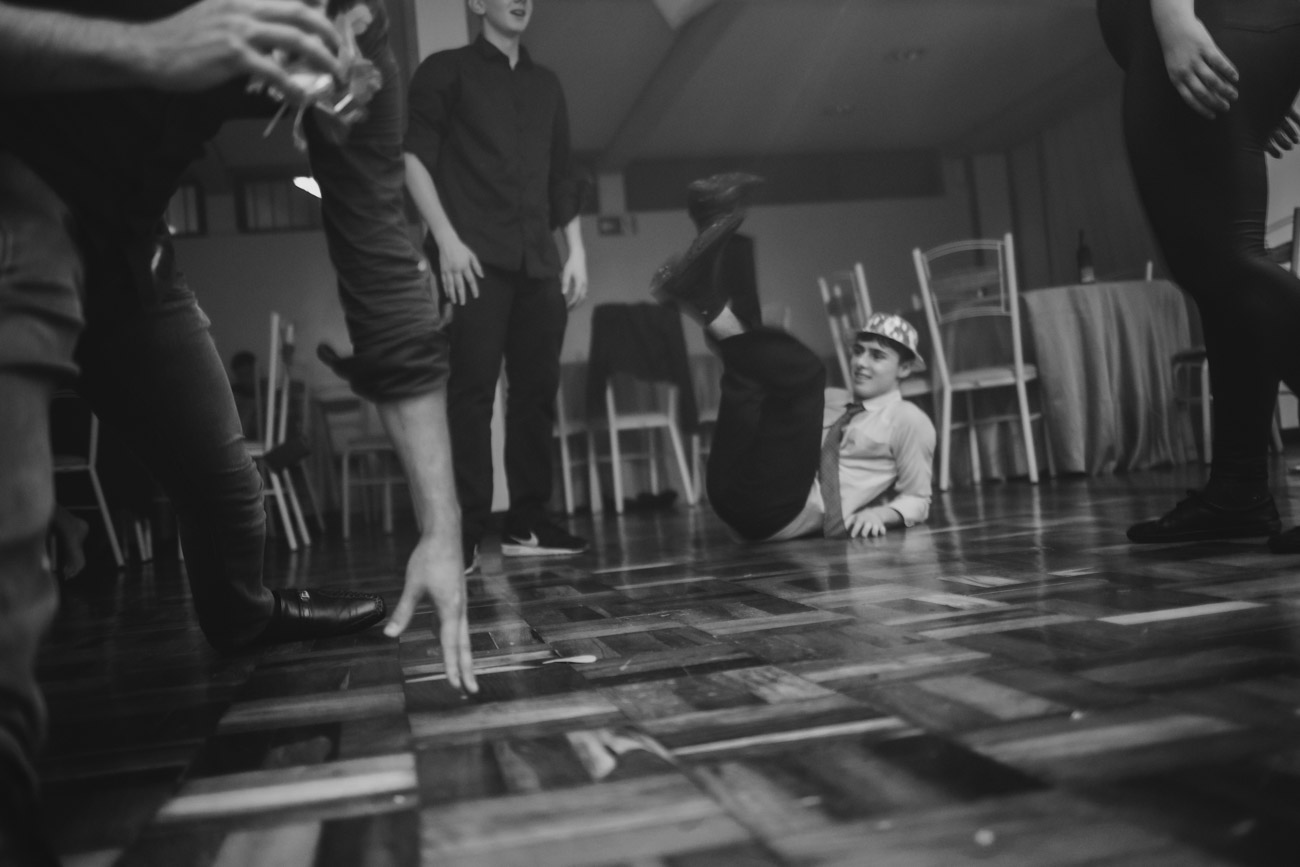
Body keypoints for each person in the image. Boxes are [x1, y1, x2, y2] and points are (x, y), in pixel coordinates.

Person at [1, 2, 475, 863]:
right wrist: (147, 50)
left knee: (231, 494)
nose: (353, 17)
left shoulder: (356, 30)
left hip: (131, 246)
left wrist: (442, 529)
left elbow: (380, 256)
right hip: (17, 183)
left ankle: (247, 617)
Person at [1097, 0, 1300, 551]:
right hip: (1235, 22)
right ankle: (1239, 489)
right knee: (1223, 280)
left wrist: (1173, 18)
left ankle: (1239, 489)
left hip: (1203, 16)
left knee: (1223, 265)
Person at [404, 0, 589, 572]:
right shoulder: (445, 70)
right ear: (477, 3)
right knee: (472, 395)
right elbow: (413, 159)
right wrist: (445, 240)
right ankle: (461, 533)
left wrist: (576, 250)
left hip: (539, 262)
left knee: (536, 394)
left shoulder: (547, 84)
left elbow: (562, 176)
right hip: (473, 261)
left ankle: (527, 522)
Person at [653, 200, 936, 542]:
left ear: (904, 368)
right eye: (859, 351)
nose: (861, 362)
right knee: (753, 372)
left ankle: (702, 287)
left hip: (781, 514)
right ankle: (719, 235)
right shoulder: (835, 401)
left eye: (877, 356)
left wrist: (882, 514)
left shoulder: (908, 420)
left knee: (806, 376)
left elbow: (919, 498)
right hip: (731, 490)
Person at [229, 350, 260, 439]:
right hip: (245, 440)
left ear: (256, 371)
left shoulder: (268, 390)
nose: (246, 379)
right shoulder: (233, 393)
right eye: (241, 375)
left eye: (248, 374)